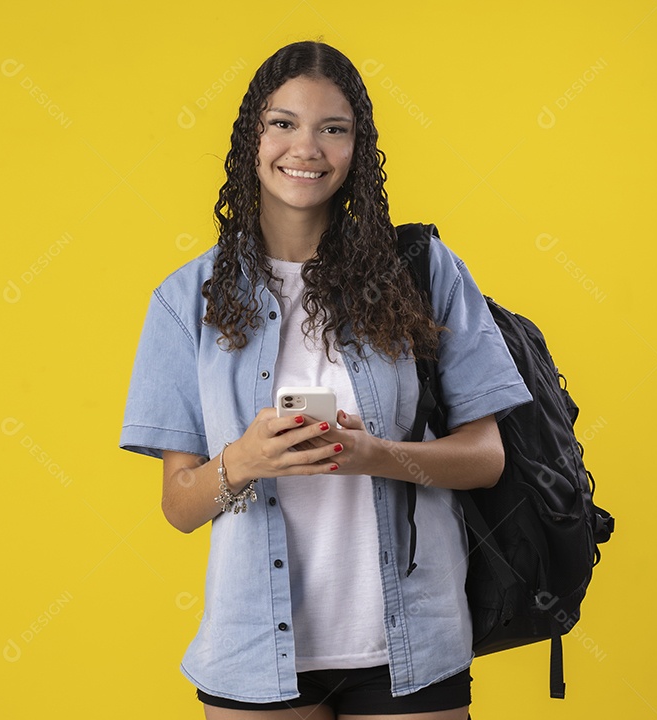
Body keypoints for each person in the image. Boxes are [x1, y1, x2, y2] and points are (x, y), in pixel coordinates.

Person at [119, 40, 531, 719]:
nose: (305, 148)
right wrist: (245, 461)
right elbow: (180, 506)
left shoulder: (423, 274)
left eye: (332, 129)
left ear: (356, 149)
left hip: (412, 649)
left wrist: (378, 456)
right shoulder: (183, 299)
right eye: (283, 123)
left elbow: (487, 459)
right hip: (253, 654)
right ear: (253, 137)